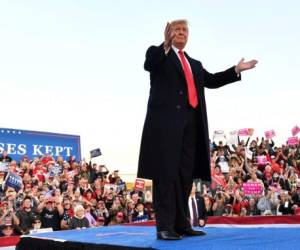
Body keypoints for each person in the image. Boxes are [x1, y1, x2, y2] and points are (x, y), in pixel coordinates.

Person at [137, 19, 257, 240]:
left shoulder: (195, 64)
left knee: (185, 176)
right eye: (177, 29)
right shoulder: (158, 54)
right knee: (166, 175)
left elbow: (211, 80)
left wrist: (236, 70)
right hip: (165, 127)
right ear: (169, 33)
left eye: (185, 30)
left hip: (191, 125)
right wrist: (164, 44)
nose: (181, 33)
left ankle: (181, 224)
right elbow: (149, 65)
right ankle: (164, 227)